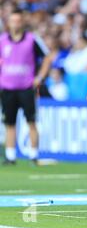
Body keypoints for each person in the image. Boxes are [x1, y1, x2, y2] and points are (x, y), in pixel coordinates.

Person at [0, 9, 52, 165]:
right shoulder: (2, 40)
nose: (15, 24)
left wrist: (40, 77)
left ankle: (33, 155)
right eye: (12, 21)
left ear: (22, 22)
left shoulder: (32, 39)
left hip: (26, 87)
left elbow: (47, 57)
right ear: (8, 23)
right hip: (7, 88)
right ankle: (10, 156)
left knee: (31, 121)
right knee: (9, 122)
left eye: (18, 20)